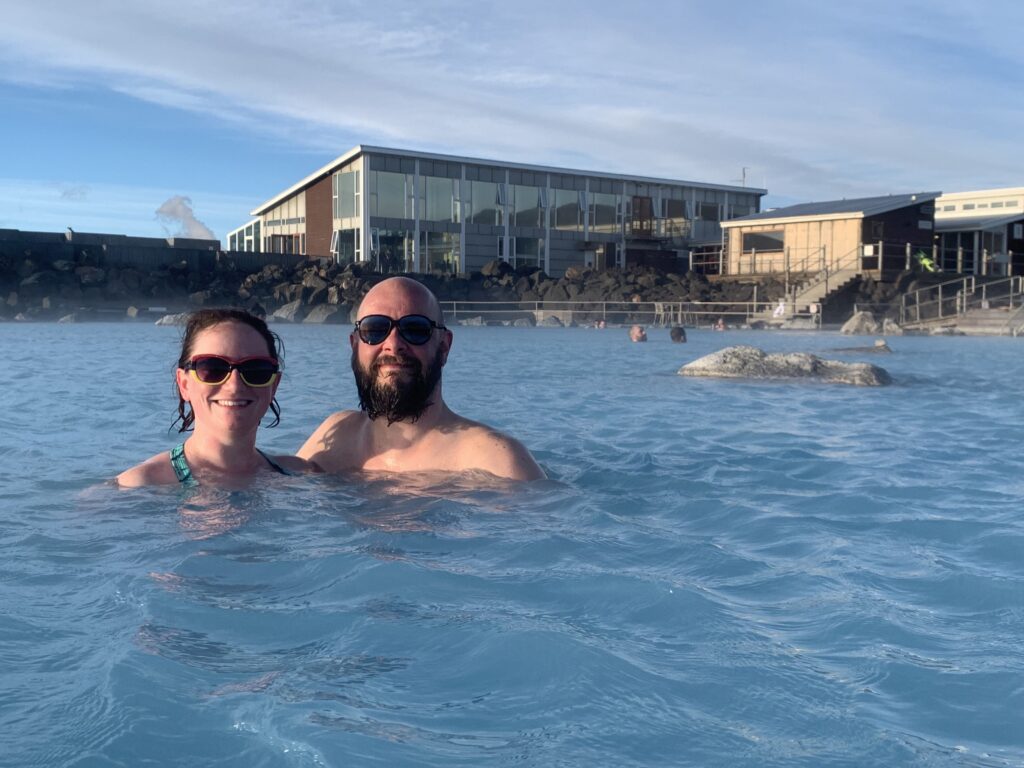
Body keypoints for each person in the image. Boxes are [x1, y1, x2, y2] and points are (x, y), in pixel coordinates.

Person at [298, 276, 545, 481]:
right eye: (374, 330)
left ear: (444, 347)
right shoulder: (336, 435)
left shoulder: (497, 463)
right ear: (355, 346)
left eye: (415, 329)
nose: (393, 346)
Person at [117, 308, 316, 487]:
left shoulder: (300, 476)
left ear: (273, 385)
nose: (235, 384)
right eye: (213, 368)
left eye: (256, 370)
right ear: (184, 384)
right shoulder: (139, 485)